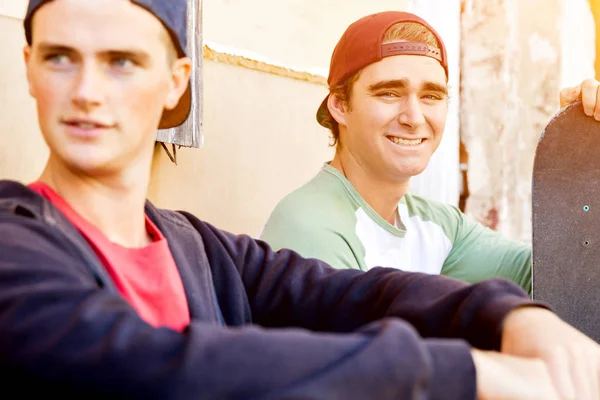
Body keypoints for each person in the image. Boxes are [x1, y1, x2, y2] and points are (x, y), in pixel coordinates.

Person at [1, 1, 599, 399]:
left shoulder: (195, 247)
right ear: (28, 68)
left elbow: (349, 293)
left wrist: (510, 317)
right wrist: (467, 371)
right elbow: (154, 366)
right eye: (60, 58)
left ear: (175, 83)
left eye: (122, 63)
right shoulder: (15, 248)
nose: (86, 92)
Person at [260, 11, 600, 295]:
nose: (414, 118)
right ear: (340, 106)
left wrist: (577, 150)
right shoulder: (309, 226)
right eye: (389, 93)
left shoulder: (438, 226)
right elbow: (356, 367)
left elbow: (556, 282)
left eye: (431, 96)